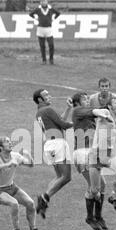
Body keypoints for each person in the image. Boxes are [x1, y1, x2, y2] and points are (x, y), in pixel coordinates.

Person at [70, 92, 114, 230]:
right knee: (93, 187)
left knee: (102, 185)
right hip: (82, 154)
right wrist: (103, 113)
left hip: (91, 153)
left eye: (88, 98)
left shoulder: (87, 115)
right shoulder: (78, 110)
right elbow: (94, 111)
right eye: (84, 98)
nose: (88, 100)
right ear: (77, 102)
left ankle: (98, 216)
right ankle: (90, 217)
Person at [0, 136, 42, 230]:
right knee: (14, 204)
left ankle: (33, 229)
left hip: (11, 187)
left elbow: (31, 165)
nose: (10, 143)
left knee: (30, 203)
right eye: (7, 142)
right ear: (1, 147)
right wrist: (8, 164)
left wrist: (28, 155)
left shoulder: (15, 156)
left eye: (10, 141)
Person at [34, 88, 73, 219]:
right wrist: (81, 122)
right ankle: (44, 197)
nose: (49, 96)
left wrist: (68, 109)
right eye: (46, 95)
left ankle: (44, 199)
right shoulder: (48, 110)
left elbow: (58, 121)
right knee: (66, 177)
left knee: (59, 177)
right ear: (40, 99)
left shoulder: (40, 112)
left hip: (49, 146)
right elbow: (64, 125)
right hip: (58, 144)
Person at [89, 77, 116, 199]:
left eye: (106, 86)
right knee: (101, 160)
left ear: (109, 87)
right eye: (102, 86)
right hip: (99, 130)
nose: (104, 88)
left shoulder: (115, 98)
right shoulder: (93, 99)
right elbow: (90, 111)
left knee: (115, 160)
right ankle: (97, 187)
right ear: (99, 87)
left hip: (111, 132)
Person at [29, 0, 60, 65]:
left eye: (45, 1)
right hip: (40, 29)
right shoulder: (38, 9)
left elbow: (58, 13)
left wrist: (53, 19)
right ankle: (44, 60)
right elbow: (31, 14)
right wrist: (36, 18)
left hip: (49, 29)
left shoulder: (50, 8)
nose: (43, 2)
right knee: (42, 46)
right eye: (42, 1)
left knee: (51, 45)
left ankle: (51, 59)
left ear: (47, 2)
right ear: (40, 2)